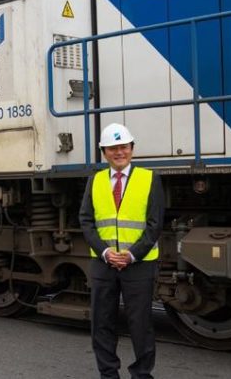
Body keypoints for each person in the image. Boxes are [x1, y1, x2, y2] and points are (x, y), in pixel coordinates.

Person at [79, 123, 164, 379]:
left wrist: (132, 254)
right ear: (104, 153)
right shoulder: (95, 181)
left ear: (132, 149)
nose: (119, 153)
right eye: (112, 148)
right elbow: (86, 220)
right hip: (103, 263)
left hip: (139, 263)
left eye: (124, 147)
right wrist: (105, 252)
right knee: (102, 323)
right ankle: (108, 374)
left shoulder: (149, 178)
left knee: (140, 324)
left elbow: (155, 224)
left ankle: (142, 374)